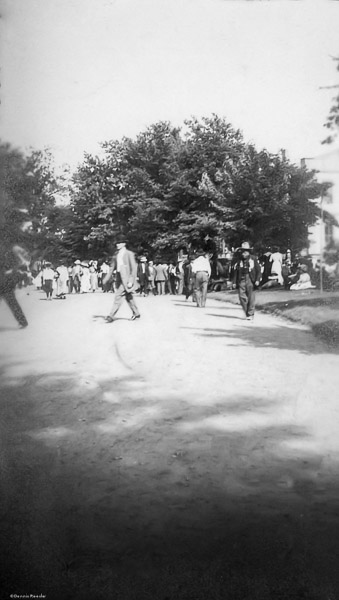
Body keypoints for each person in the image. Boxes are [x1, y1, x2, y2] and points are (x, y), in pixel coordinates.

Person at [104, 234, 140, 322]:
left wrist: (131, 280)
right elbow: (112, 267)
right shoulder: (116, 254)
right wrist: (106, 278)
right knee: (128, 297)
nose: (117, 245)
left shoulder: (129, 254)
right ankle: (136, 313)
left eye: (119, 243)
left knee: (118, 296)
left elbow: (134, 268)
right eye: (117, 243)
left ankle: (111, 315)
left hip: (127, 279)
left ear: (124, 244)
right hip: (119, 277)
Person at [0, 244, 29, 328]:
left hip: (5, 284)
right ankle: (23, 322)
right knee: (13, 303)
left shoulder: (6, 255)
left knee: (13, 303)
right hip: (5, 283)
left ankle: (23, 322)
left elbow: (12, 267)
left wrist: (10, 271)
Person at [232, 242, 261, 320]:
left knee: (251, 297)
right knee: (242, 296)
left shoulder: (253, 259)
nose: (243, 253)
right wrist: (234, 282)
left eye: (245, 251)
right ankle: (247, 312)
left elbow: (258, 270)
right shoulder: (239, 260)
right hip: (241, 279)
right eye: (242, 251)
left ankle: (250, 313)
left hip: (250, 278)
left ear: (248, 252)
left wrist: (257, 280)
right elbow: (235, 271)